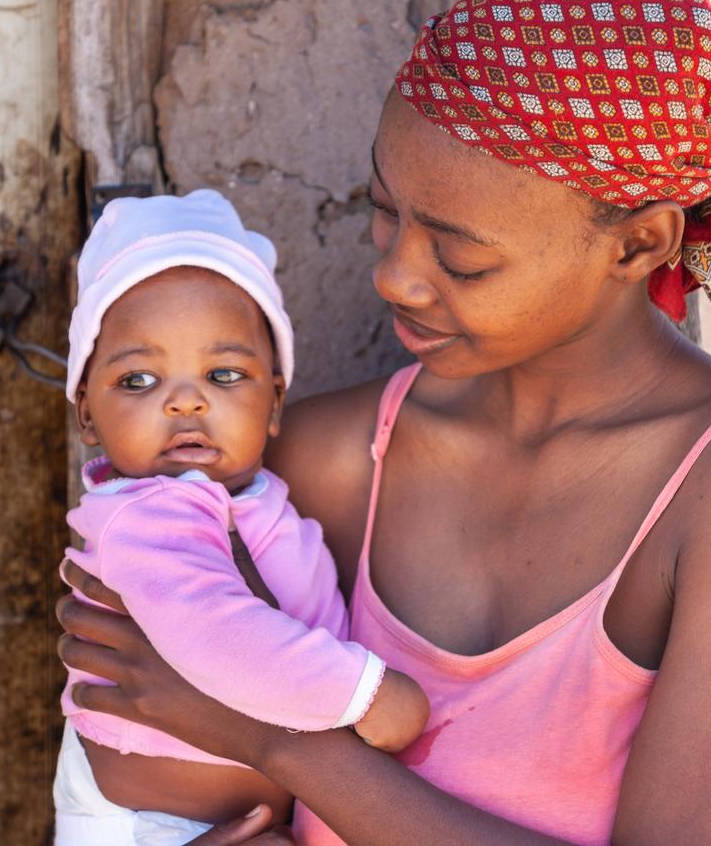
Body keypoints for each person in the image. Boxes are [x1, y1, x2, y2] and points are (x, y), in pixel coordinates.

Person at [57, 0, 711, 846]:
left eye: (462, 260)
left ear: (639, 243)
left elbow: (252, 723)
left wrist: (290, 745)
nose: (394, 275)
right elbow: (150, 718)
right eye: (385, 210)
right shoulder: (337, 456)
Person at [53, 190, 429, 845]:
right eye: (139, 381)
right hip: (146, 831)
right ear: (87, 414)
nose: (186, 403)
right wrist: (367, 694)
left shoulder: (256, 501)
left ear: (275, 403)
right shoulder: (144, 517)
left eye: (224, 374)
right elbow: (219, 636)